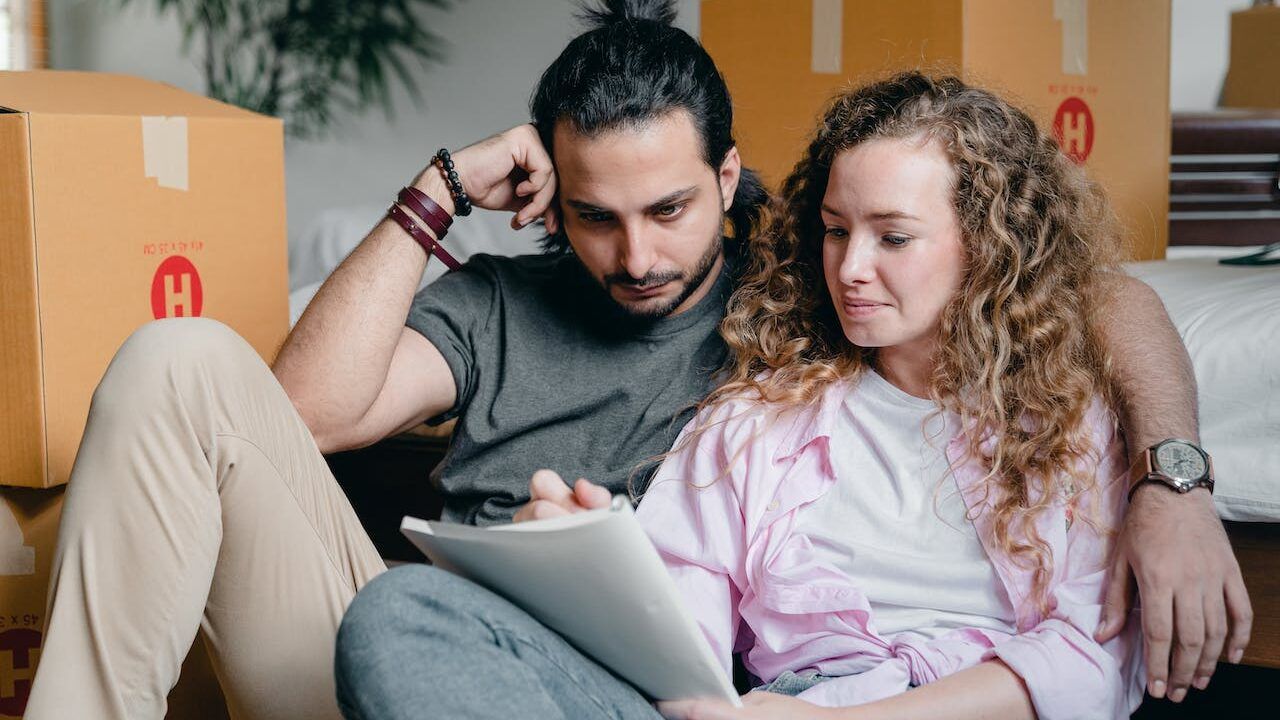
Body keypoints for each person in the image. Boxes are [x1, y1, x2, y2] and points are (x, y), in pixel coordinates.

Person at [28, 2, 1245, 719]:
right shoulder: (522, 302)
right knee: (184, 360)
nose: (635, 255)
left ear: (727, 178)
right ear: (551, 196)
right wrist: (437, 193)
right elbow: (294, 415)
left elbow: (1091, 291)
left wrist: (1174, 480)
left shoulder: (803, 282)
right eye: (595, 216)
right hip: (443, 648)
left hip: (626, 685)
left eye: (667, 210)